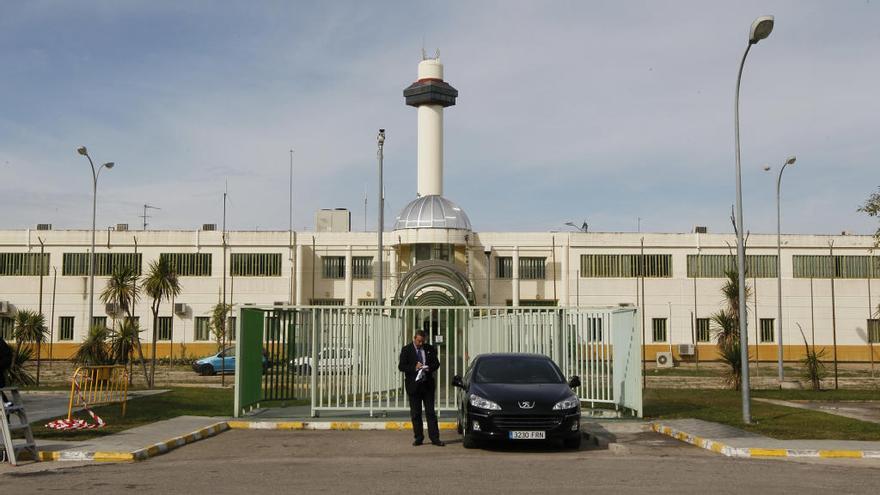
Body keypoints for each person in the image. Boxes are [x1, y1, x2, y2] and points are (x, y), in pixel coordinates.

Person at [398, 330, 444, 446]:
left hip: (427, 385)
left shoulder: (429, 348)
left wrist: (428, 368)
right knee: (416, 413)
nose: (420, 344)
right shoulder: (406, 349)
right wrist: (414, 367)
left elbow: (436, 363)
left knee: (430, 413)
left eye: (423, 341)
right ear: (414, 338)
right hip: (414, 386)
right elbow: (401, 366)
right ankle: (418, 437)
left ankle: (435, 438)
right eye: (419, 341)